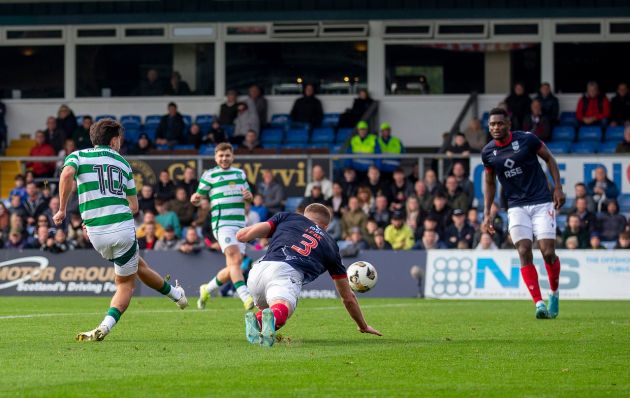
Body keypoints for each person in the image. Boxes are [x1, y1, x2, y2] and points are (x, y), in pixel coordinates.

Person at [53, 118, 188, 342]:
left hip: (95, 233)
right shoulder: (124, 164)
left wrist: (62, 210)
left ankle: (177, 296)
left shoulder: (78, 156)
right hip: (122, 229)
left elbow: (66, 175)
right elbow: (134, 206)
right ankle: (104, 327)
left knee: (138, 265)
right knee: (126, 283)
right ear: (114, 140)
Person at [235, 203, 381, 346]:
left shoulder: (287, 217)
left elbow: (243, 235)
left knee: (270, 310)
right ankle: (267, 318)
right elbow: (348, 298)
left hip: (258, 272)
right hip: (286, 274)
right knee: (282, 307)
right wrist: (363, 325)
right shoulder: (330, 245)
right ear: (325, 227)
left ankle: (258, 320)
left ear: (304, 216)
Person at [482, 107, 565, 319]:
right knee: (524, 249)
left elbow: (550, 159)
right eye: (492, 124)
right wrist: (487, 212)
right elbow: (490, 182)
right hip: (516, 206)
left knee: (547, 252)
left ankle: (554, 293)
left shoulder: (527, 139)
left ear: (508, 124)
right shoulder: (488, 153)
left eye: (500, 123)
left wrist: (558, 187)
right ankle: (538, 303)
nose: (496, 127)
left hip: (541, 201)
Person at [191, 143, 255, 310]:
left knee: (234, 265)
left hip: (240, 224)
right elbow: (198, 196)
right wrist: (195, 199)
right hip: (222, 224)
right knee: (235, 260)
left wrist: (249, 196)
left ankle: (207, 289)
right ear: (215, 157)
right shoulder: (209, 175)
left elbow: (248, 197)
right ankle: (246, 297)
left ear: (232, 156)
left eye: (227, 155)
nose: (224, 159)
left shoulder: (240, 173)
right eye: (221, 156)